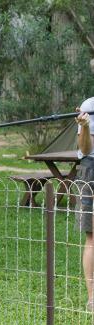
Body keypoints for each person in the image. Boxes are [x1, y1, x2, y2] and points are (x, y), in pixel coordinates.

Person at [74, 97, 94, 311]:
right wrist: (86, 127)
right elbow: (86, 150)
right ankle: (92, 299)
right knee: (92, 236)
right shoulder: (89, 106)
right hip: (91, 170)